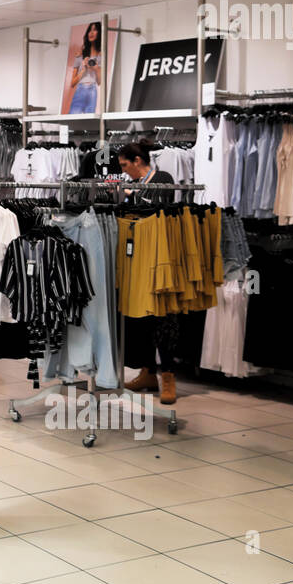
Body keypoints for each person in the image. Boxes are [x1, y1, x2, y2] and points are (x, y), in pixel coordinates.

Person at [116, 139, 179, 404]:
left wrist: (130, 197)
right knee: (140, 317)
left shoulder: (162, 178)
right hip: (137, 259)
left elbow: (156, 209)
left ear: (138, 161)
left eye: (124, 165)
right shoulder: (134, 185)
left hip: (160, 257)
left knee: (163, 318)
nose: (123, 170)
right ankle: (147, 372)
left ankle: (169, 377)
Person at [68, 22, 102, 114]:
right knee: (74, 121)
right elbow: (72, 83)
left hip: (92, 91)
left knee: (89, 123)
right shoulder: (80, 56)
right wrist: (83, 69)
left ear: (100, 33)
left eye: (95, 30)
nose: (91, 33)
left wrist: (96, 68)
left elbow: (99, 82)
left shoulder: (101, 57)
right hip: (80, 90)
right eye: (89, 30)